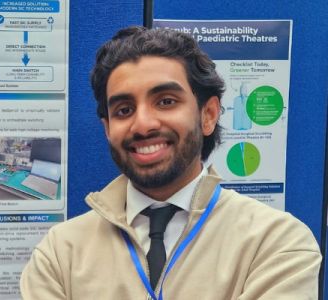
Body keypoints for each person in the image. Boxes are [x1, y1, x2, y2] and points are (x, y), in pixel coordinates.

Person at [20, 26, 321, 300]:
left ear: (208, 115)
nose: (143, 124)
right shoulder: (60, 253)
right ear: (108, 129)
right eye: (124, 110)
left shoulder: (275, 242)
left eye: (166, 101)